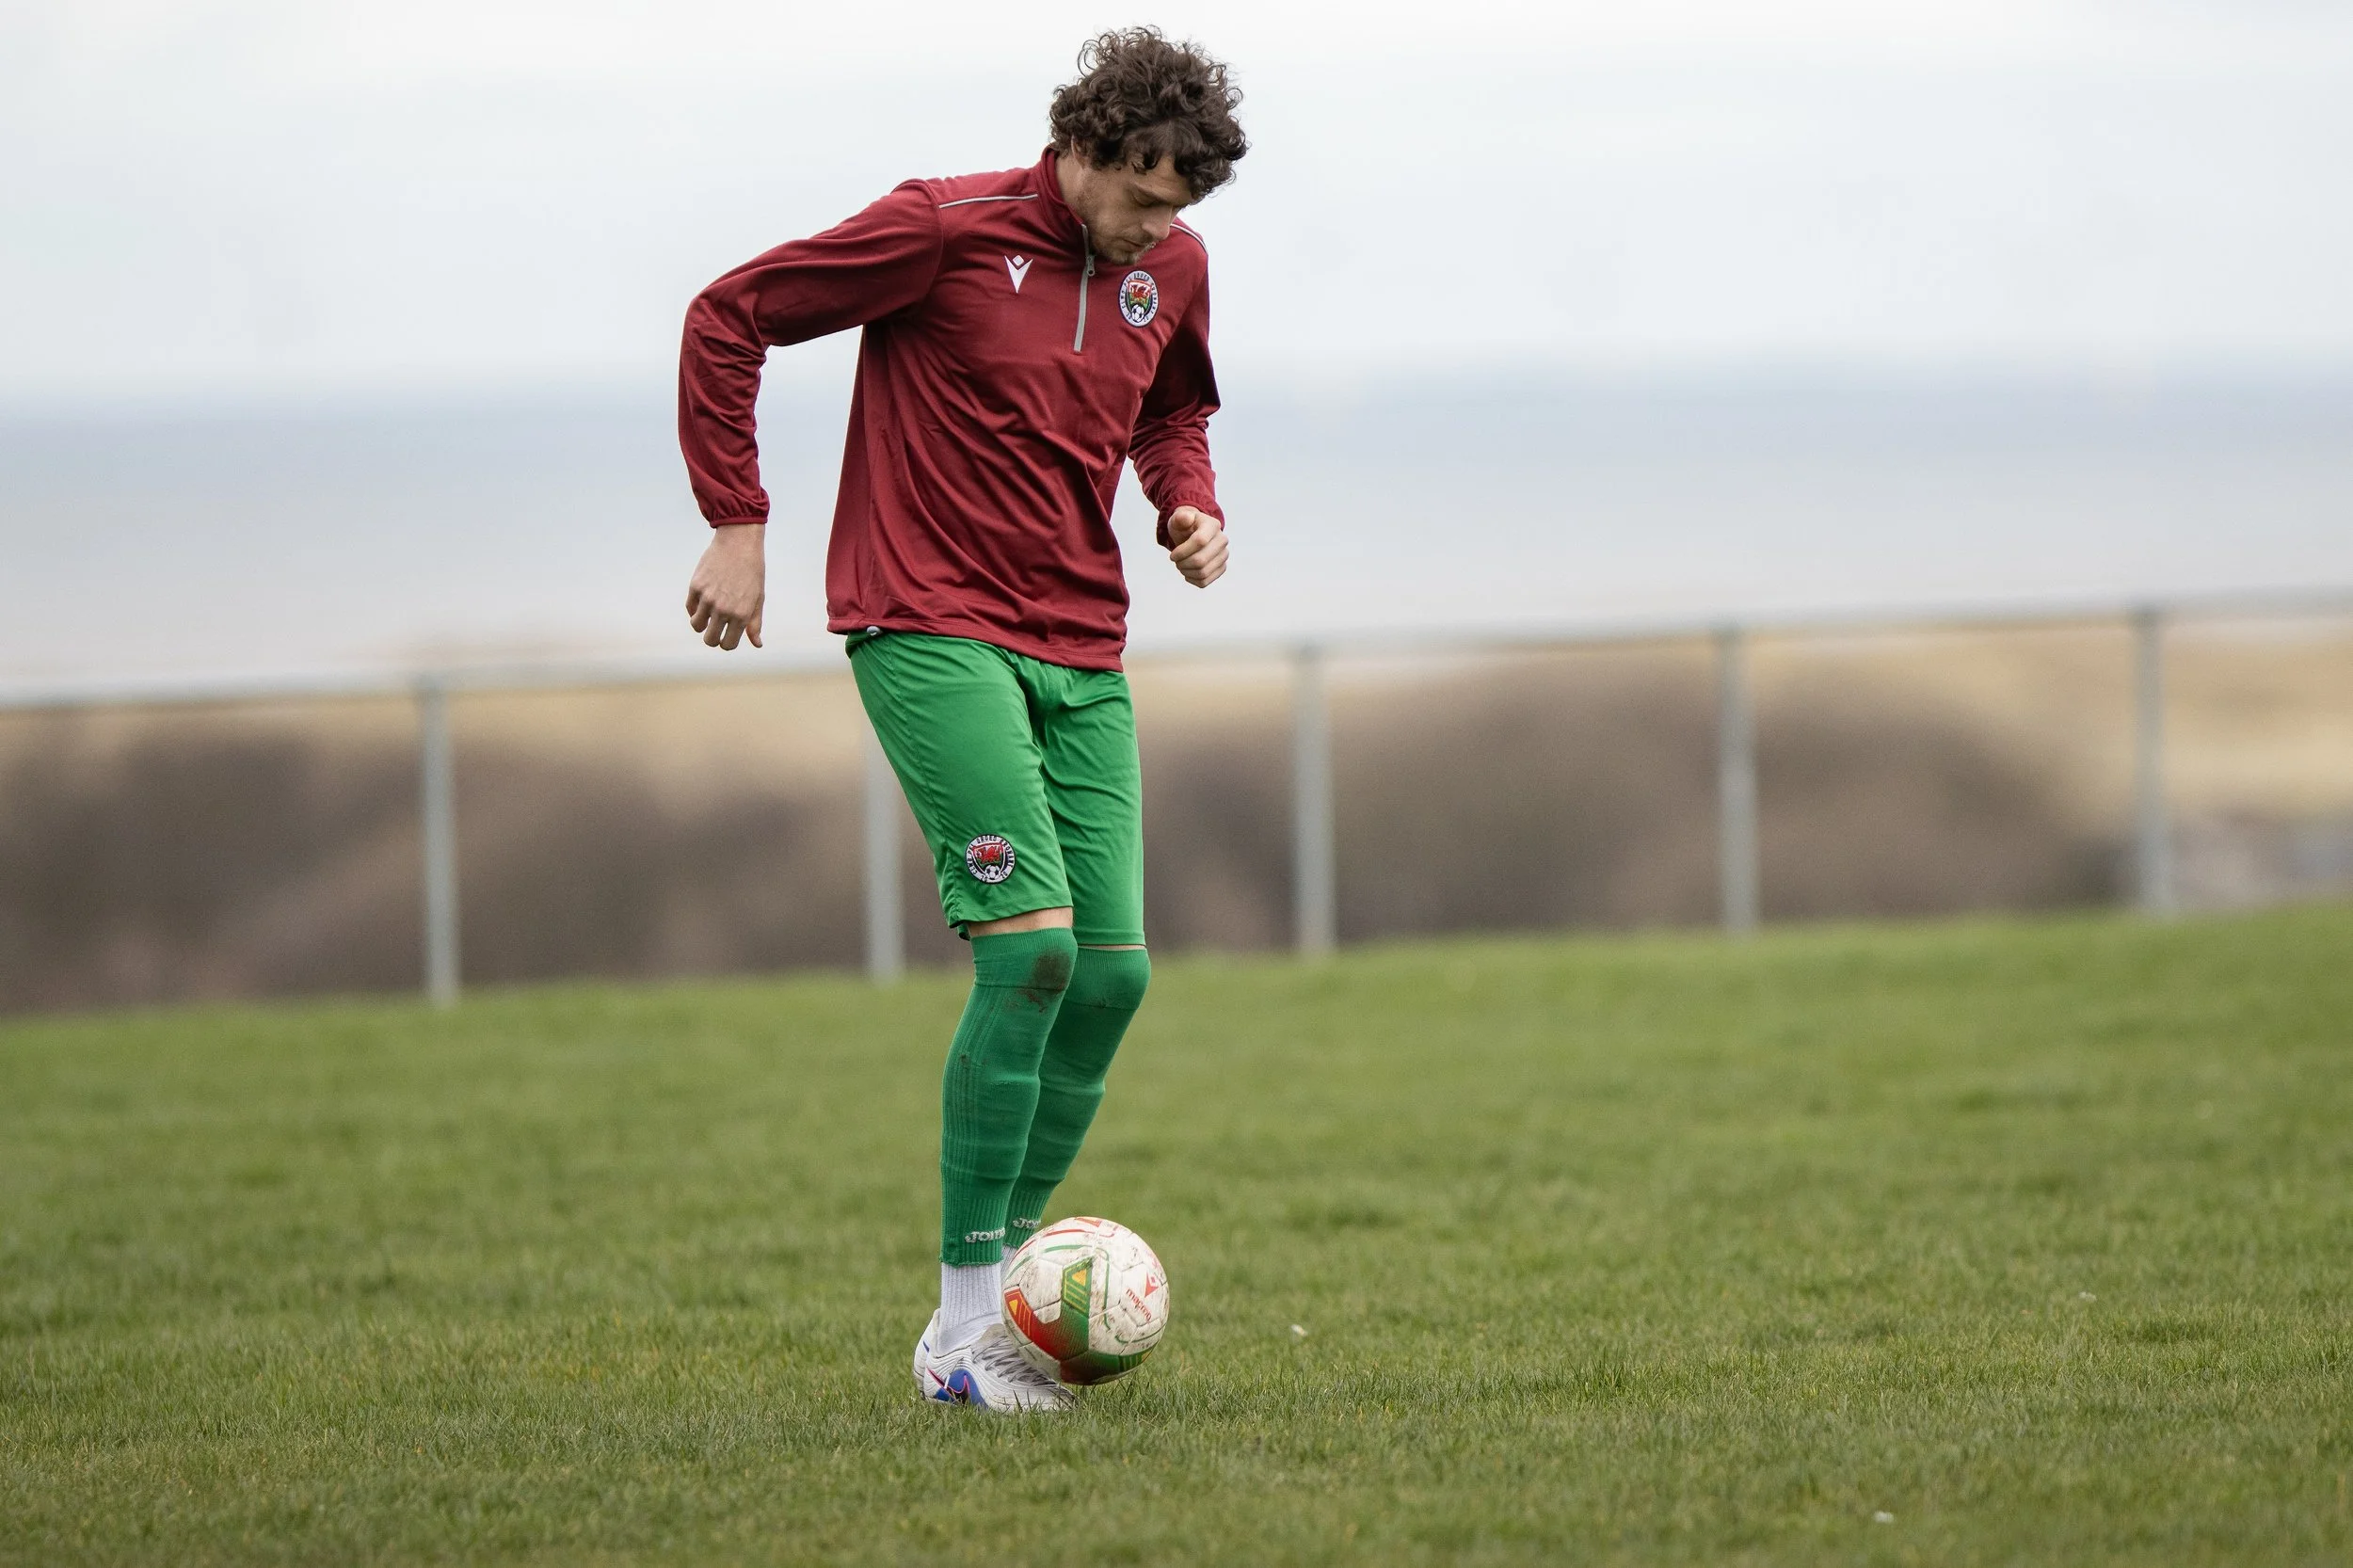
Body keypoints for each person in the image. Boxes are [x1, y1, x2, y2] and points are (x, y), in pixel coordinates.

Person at [673, 28, 1246, 1412]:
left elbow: (1171, 413)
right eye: (1143, 195)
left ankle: (1013, 1290)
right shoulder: (942, 227)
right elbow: (728, 314)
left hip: (1082, 647)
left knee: (1110, 977)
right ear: (1083, 147)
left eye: (1179, 206)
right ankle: (967, 1325)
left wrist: (1189, 500)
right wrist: (738, 521)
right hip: (928, 625)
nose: (1158, 227)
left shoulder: (1171, 268)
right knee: (1031, 951)